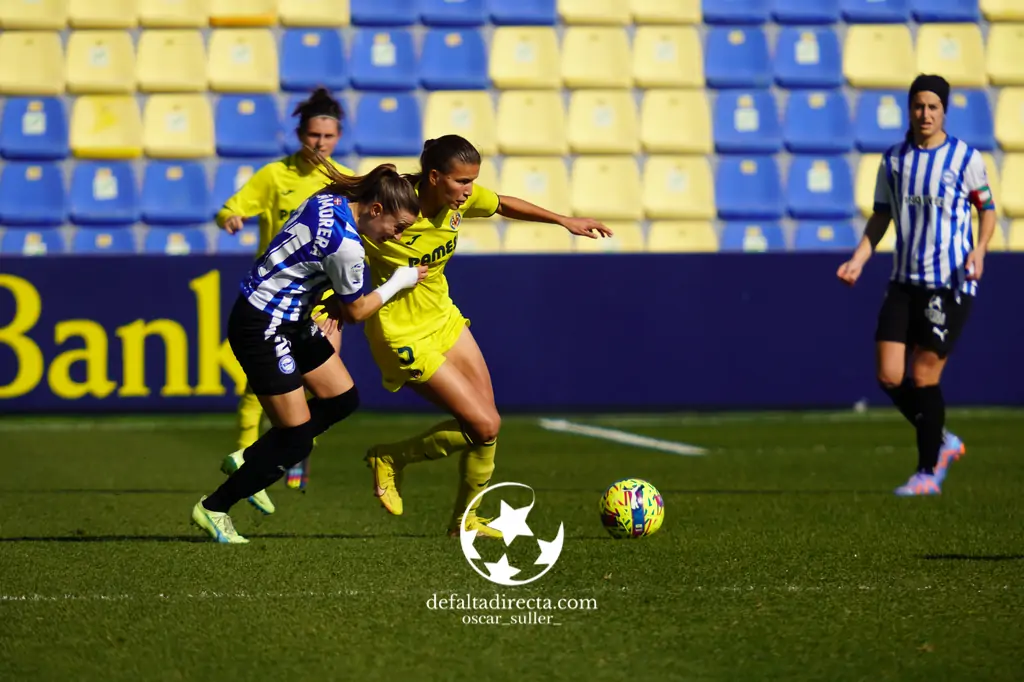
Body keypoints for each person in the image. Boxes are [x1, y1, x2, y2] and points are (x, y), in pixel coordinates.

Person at [356, 135, 612, 536]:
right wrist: (325, 304)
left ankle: (465, 521)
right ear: (434, 177)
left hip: (444, 319)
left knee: (486, 427)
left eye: (472, 181)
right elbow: (341, 249)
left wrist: (564, 220)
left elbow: (503, 204)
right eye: (461, 181)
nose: (468, 190)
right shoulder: (394, 208)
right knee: (485, 424)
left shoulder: (457, 202)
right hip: (401, 334)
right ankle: (391, 458)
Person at [191, 164, 427, 543]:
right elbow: (355, 312)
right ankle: (215, 507)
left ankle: (251, 457)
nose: (397, 236)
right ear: (376, 209)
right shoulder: (347, 247)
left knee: (342, 399)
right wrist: (401, 280)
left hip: (291, 318)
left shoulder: (328, 199)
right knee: (297, 440)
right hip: (263, 326)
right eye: (398, 227)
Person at [836, 74, 997, 496]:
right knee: (889, 375)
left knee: (924, 374)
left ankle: (927, 472)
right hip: (904, 282)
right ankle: (942, 438)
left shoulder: (964, 158)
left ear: (944, 111)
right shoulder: (893, 160)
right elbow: (881, 215)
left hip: (949, 284)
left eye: (933, 107)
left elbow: (987, 209)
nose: (925, 114)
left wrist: (980, 249)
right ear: (909, 110)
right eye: (919, 106)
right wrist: (858, 258)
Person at [216, 88, 355, 491]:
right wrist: (231, 218)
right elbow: (230, 207)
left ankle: (293, 456)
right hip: (274, 299)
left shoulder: (344, 180)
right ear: (300, 135)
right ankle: (245, 458)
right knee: (258, 389)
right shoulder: (275, 176)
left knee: (321, 384)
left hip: (320, 302)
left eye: (328, 136)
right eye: (314, 135)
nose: (320, 143)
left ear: (338, 138)